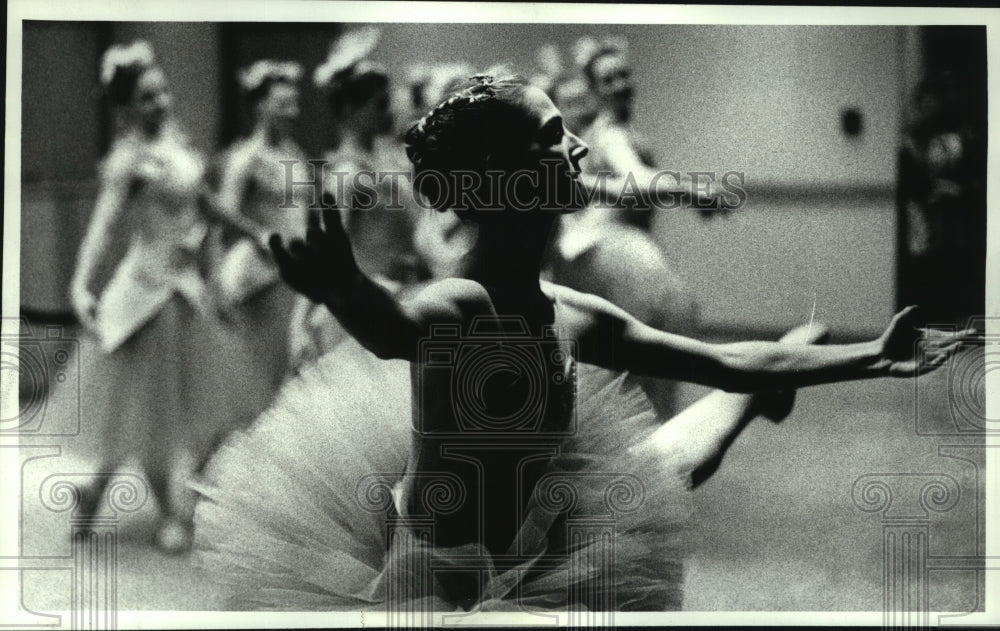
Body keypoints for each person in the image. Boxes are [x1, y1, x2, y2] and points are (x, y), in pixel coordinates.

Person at [193, 72, 969, 611]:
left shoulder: (572, 312)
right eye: (554, 136)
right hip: (442, 586)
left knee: (672, 455)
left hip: (538, 540)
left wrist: (875, 355)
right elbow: (395, 327)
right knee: (667, 463)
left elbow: (727, 357)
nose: (577, 148)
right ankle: (757, 400)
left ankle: (760, 395)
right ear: (504, 173)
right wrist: (345, 290)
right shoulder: (462, 302)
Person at [66, 41, 252, 552]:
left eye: (163, 91)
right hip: (145, 295)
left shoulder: (177, 147)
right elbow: (103, 227)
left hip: (184, 290)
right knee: (149, 416)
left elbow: (206, 205)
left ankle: (93, 492)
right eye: (147, 97)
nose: (161, 102)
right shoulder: (128, 161)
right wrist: (80, 282)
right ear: (127, 106)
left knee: (145, 414)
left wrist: (252, 232)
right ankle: (170, 512)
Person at [287, 27, 426, 368]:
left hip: (397, 298)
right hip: (363, 308)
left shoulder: (386, 162)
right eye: (379, 104)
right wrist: (299, 321)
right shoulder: (347, 175)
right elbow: (327, 249)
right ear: (350, 110)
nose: (387, 112)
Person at [206, 59, 310, 411]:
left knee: (291, 374)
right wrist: (216, 284)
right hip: (261, 278)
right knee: (259, 380)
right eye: (282, 104)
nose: (292, 112)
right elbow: (222, 220)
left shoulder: (295, 155)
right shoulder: (245, 158)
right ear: (260, 106)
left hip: (296, 275)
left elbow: (301, 214)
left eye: (295, 104)